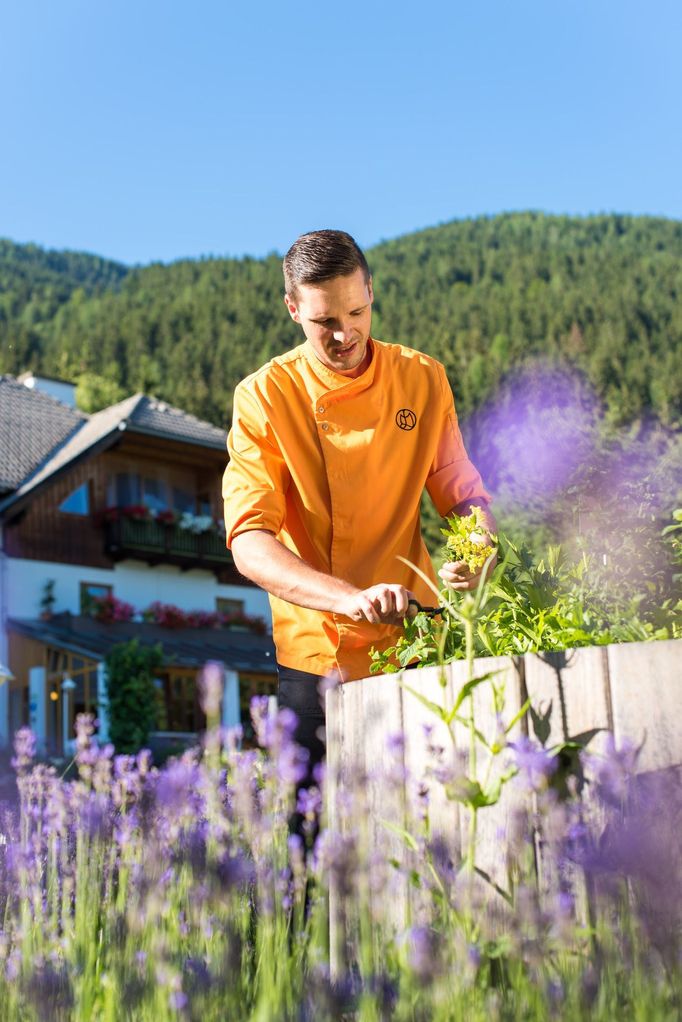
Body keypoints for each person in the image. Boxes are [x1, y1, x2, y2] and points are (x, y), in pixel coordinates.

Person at [223, 229, 495, 775]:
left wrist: (477, 547)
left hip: (414, 638)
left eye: (356, 312)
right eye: (325, 321)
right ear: (293, 310)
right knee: (314, 837)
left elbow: (460, 493)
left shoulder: (422, 379)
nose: (345, 334)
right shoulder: (264, 396)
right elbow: (250, 541)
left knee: (427, 819)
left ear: (370, 291)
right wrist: (347, 599)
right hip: (316, 651)